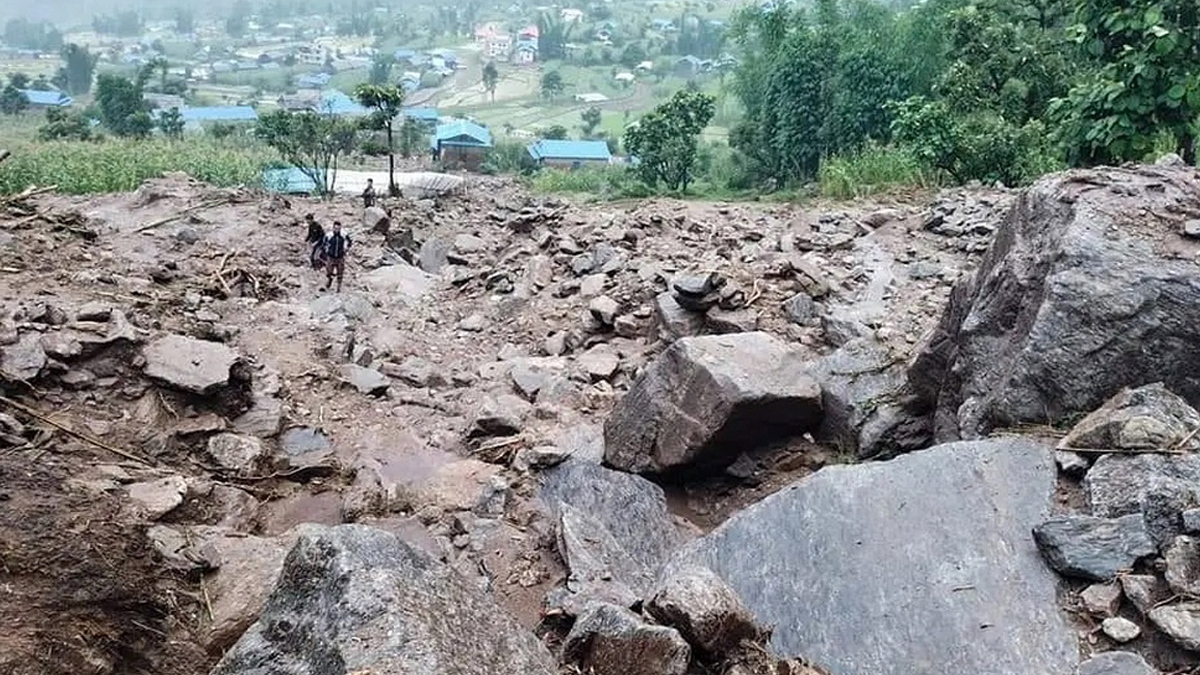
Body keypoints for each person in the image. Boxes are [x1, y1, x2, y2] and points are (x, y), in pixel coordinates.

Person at [321, 221, 352, 292]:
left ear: (340, 228)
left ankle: (339, 287)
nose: (337, 230)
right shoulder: (329, 235)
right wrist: (326, 250)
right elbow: (324, 243)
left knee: (340, 272)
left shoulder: (344, 234)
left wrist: (346, 248)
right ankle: (329, 281)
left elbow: (349, 241)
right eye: (335, 228)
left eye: (338, 228)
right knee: (329, 271)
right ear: (333, 228)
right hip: (330, 256)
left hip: (340, 257)